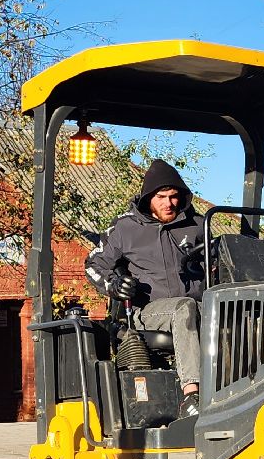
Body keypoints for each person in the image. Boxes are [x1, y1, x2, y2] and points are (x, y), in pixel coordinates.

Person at [85, 159, 207, 419]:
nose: (168, 203)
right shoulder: (125, 228)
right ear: (148, 198)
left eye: (174, 196)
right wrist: (115, 284)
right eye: (161, 197)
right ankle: (192, 395)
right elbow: (94, 264)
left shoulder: (197, 224)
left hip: (198, 306)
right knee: (182, 309)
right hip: (149, 312)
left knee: (237, 308)